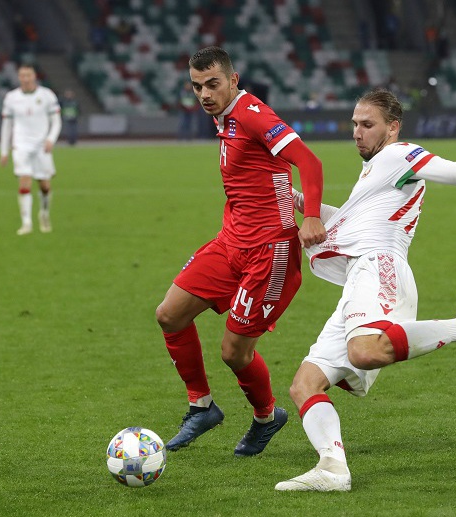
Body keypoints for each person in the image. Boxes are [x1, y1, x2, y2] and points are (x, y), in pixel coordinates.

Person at [275, 88, 456, 492]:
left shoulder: (397, 155)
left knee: (365, 352)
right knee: (305, 383)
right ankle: (333, 468)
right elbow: (349, 223)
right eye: (354, 123)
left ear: (393, 128)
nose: (357, 132)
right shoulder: (375, 172)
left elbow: (455, 169)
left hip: (380, 267)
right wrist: (301, 202)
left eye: (367, 124)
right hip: (361, 273)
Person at [155, 46, 328, 457]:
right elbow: (262, 175)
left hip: (270, 254)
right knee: (169, 314)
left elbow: (309, 161)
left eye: (213, 84)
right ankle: (201, 407)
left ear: (234, 80)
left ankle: (266, 418)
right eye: (197, 87)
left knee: (234, 352)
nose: (204, 94)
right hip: (230, 241)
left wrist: (312, 217)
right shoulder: (224, 118)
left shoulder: (252, 114)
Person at [0, 64, 62, 235]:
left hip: (42, 146)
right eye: (22, 75)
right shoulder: (11, 98)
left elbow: (56, 121)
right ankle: (26, 223)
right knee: (24, 182)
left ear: (34, 76)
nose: (25, 79)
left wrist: (51, 139)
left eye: (28, 75)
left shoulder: (47, 95)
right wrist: (4, 151)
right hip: (21, 145)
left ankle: (44, 212)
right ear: (19, 77)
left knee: (45, 186)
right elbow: (7, 126)